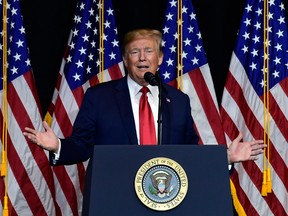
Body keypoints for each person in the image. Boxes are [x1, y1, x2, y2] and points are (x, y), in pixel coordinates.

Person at [23, 28, 266, 166]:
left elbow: (190, 154)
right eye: (134, 52)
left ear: (159, 58)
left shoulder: (179, 101)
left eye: (148, 51)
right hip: (116, 198)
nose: (141, 57)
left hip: (168, 198)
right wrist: (58, 146)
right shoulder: (99, 97)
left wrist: (226, 159)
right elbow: (82, 145)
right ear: (126, 60)